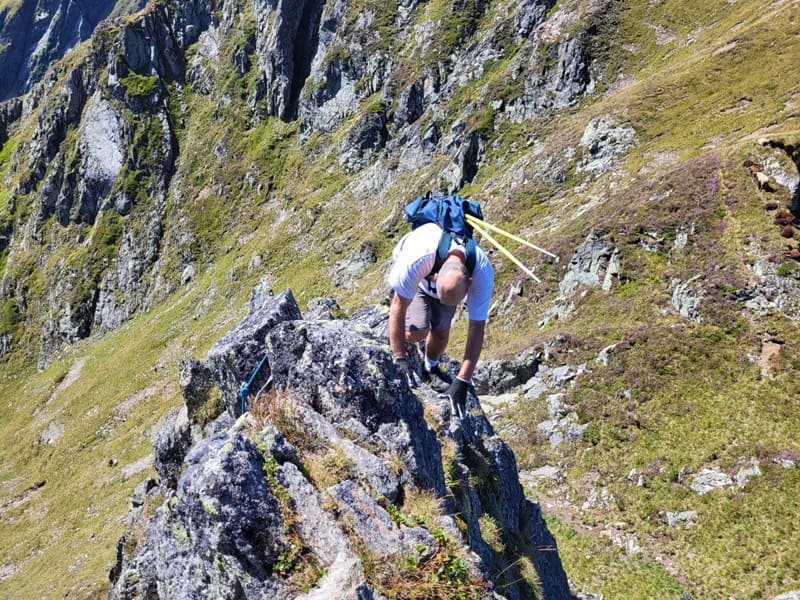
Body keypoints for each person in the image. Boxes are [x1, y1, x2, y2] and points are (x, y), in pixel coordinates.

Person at [387, 221, 494, 416]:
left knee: (442, 332)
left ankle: (430, 366)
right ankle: (403, 336)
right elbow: (397, 305)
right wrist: (399, 358)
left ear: (470, 282)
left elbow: (477, 329)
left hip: (445, 284)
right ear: (436, 277)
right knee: (416, 331)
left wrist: (463, 381)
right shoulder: (417, 258)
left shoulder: (483, 272)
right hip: (419, 282)